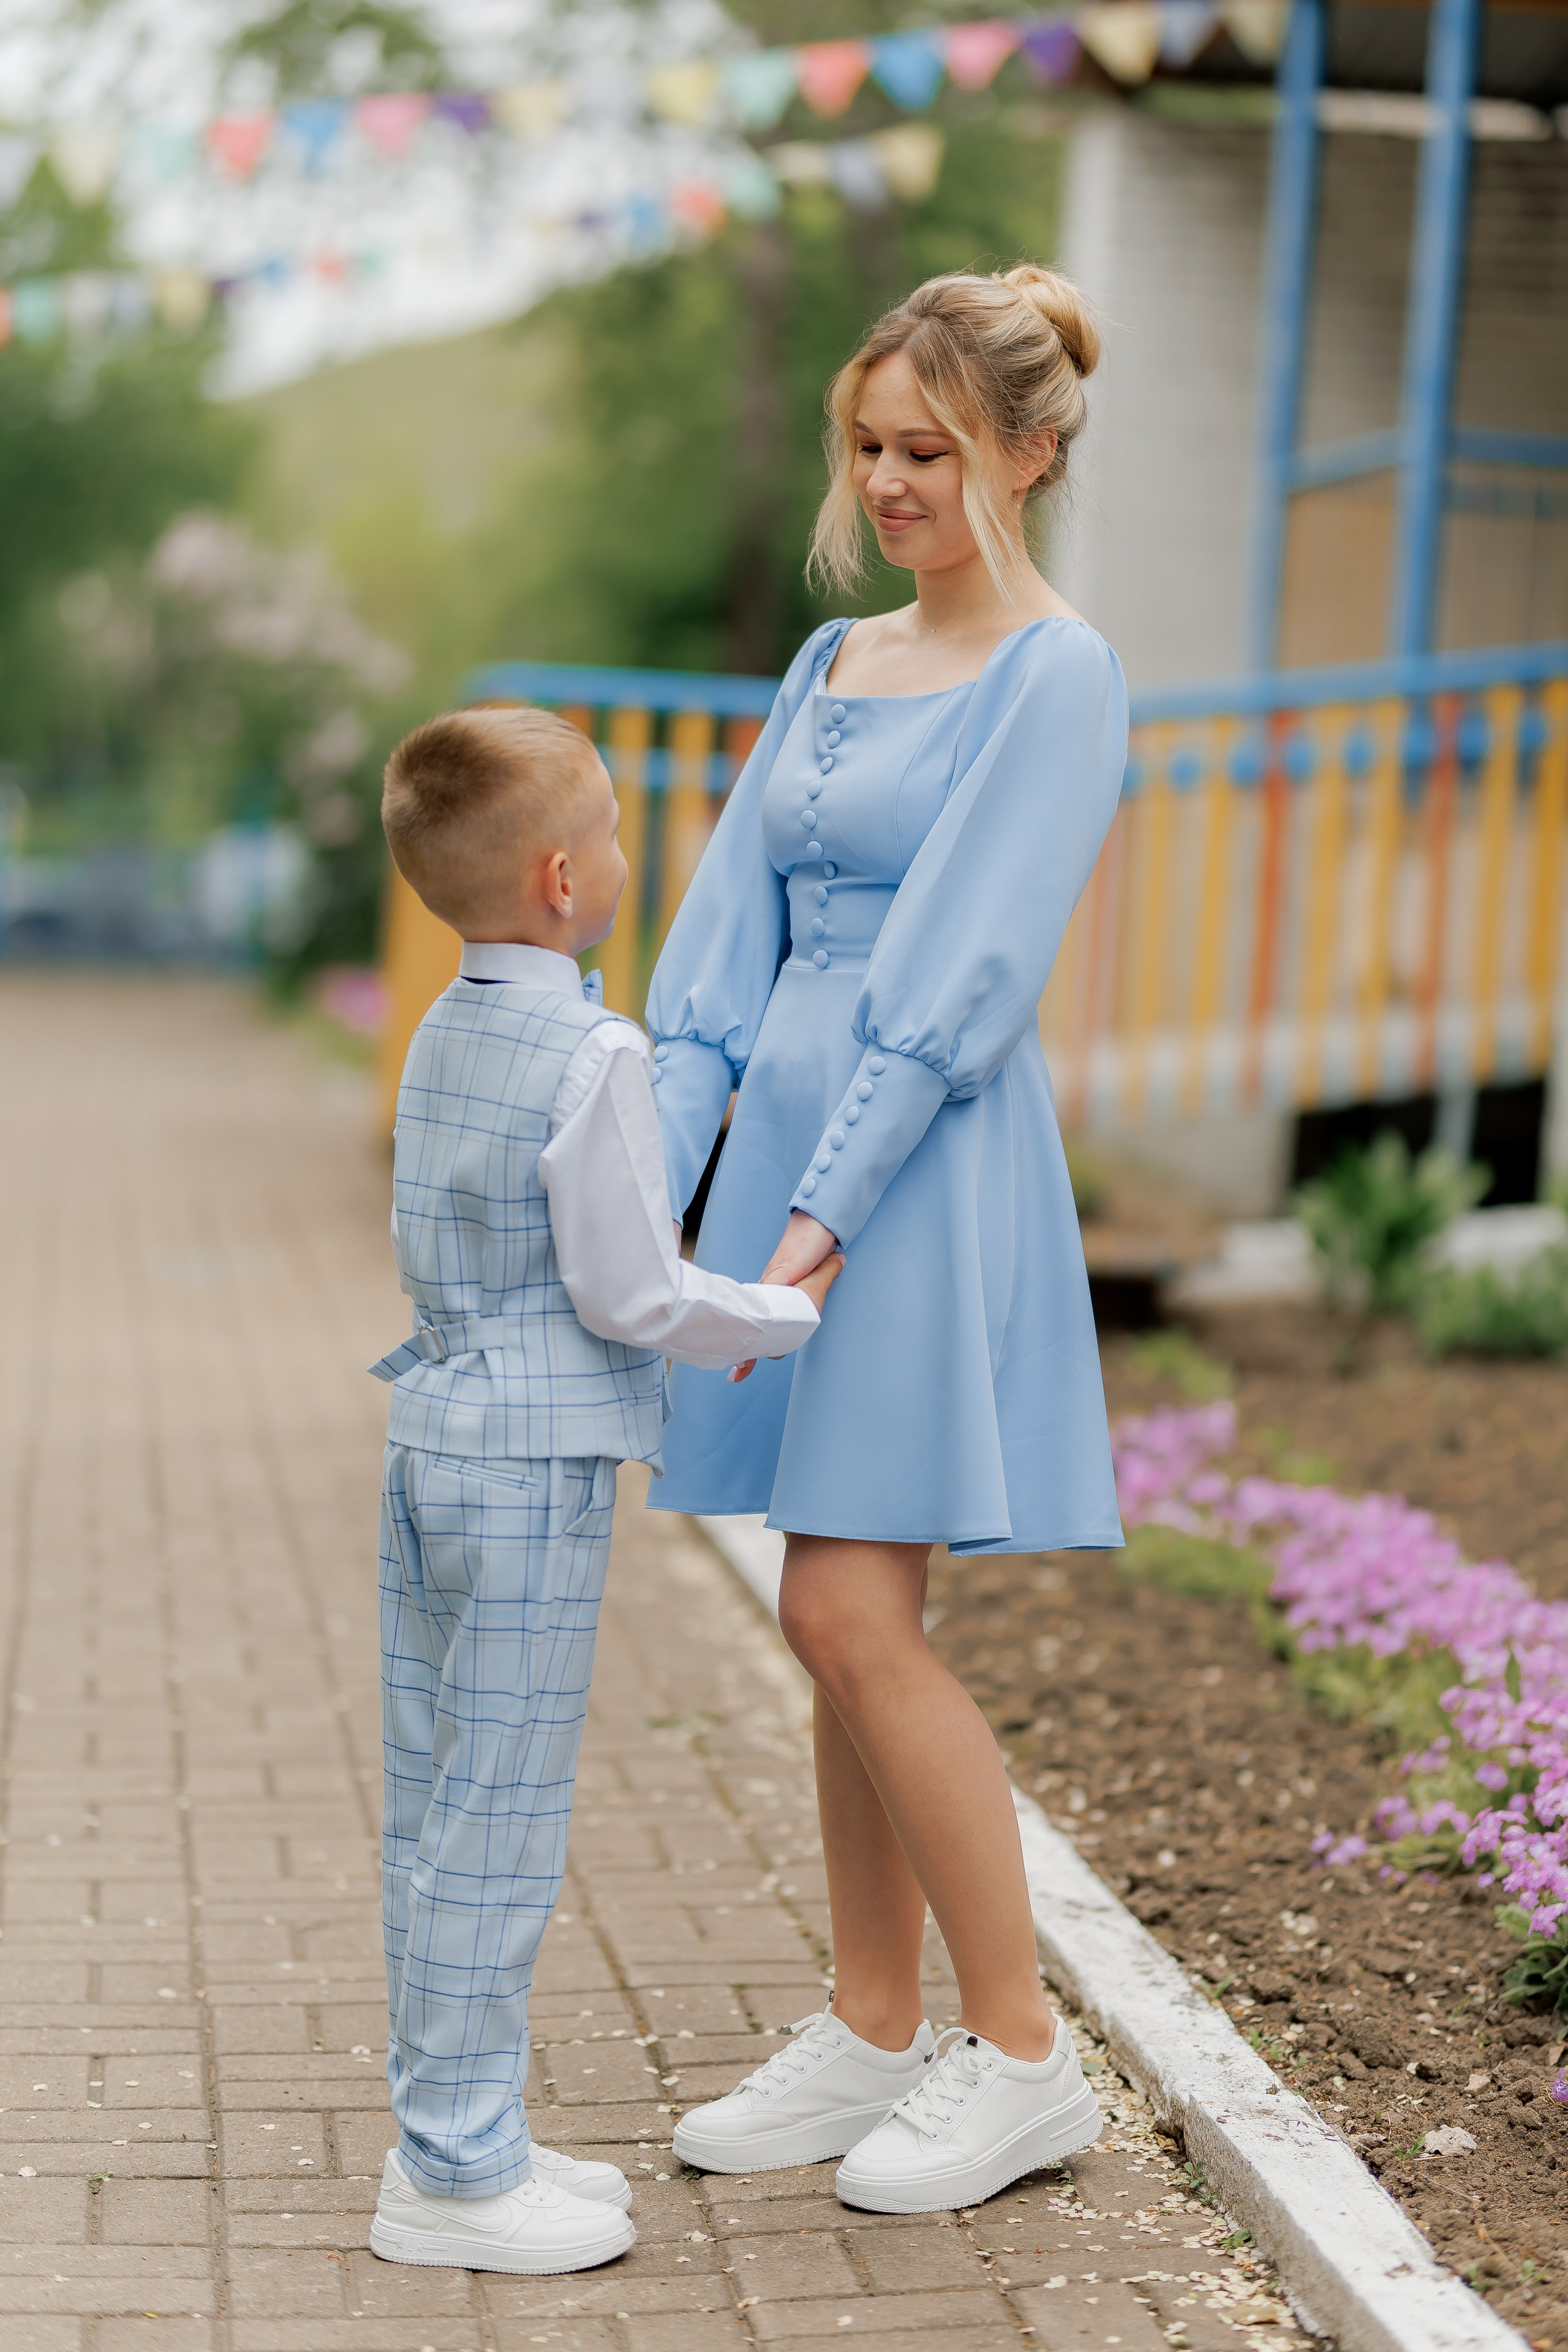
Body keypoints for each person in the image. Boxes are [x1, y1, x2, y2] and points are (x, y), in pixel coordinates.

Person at [644, 267, 1128, 2214]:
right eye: (869, 446)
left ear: (1028, 449)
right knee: (828, 1608)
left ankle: (1019, 2054)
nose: (891, 482)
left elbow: (961, 979)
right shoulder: (830, 664)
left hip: (916, 1170)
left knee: (848, 1610)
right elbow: (716, 951)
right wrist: (657, 1187)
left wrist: (824, 1219)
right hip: (788, 1156)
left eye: (930, 450)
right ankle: (869, 2022)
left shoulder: (1060, 672)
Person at [365, 705, 841, 2275]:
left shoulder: (445, 1025)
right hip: (532, 1465)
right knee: (497, 1817)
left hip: (433, 1440)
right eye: (624, 830)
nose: (635, 856)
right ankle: (449, 2177)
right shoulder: (592, 1047)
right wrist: (786, 1308)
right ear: (566, 879)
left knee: (442, 1798)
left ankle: (462, 2137)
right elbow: (635, 1293)